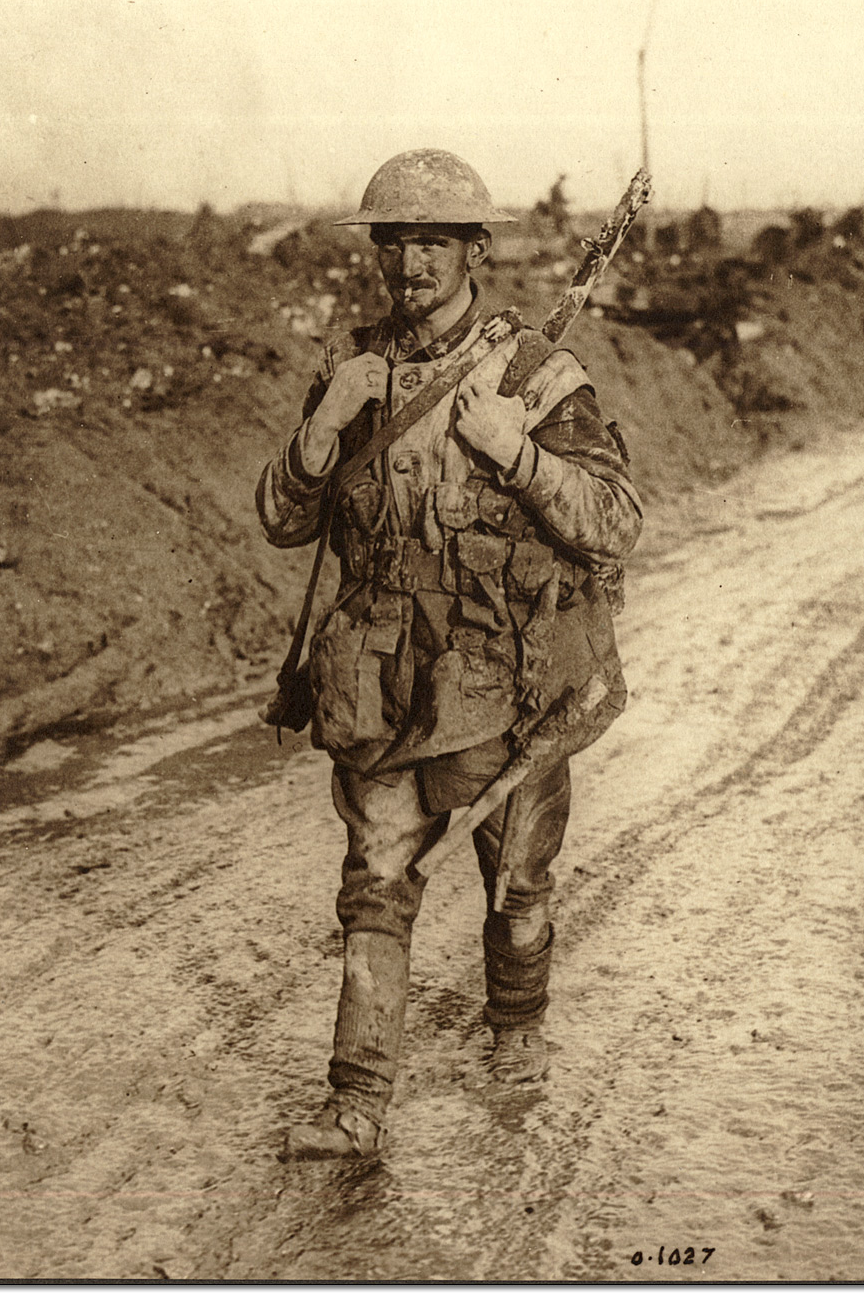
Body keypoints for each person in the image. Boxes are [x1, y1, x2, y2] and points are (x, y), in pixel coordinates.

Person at [256, 149, 643, 1160]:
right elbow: (283, 524)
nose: (409, 262)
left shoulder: (536, 377)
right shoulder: (356, 372)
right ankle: (356, 1102)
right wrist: (323, 430)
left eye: (432, 240)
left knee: (515, 886)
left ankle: (516, 1035)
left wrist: (517, 452)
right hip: (382, 689)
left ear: (475, 249)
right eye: (395, 240)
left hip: (507, 686)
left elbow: (613, 522)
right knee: (374, 883)